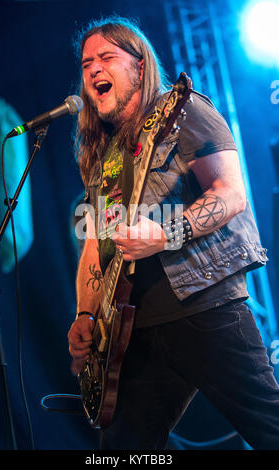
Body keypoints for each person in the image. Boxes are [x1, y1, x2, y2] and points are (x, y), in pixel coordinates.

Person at [67, 16, 279, 450]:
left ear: (140, 67)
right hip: (133, 326)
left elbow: (232, 193)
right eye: (87, 63)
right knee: (124, 448)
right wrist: (86, 314)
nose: (93, 70)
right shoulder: (103, 155)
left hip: (203, 304)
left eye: (106, 57)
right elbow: (95, 244)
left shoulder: (184, 111)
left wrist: (165, 234)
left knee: (269, 427)